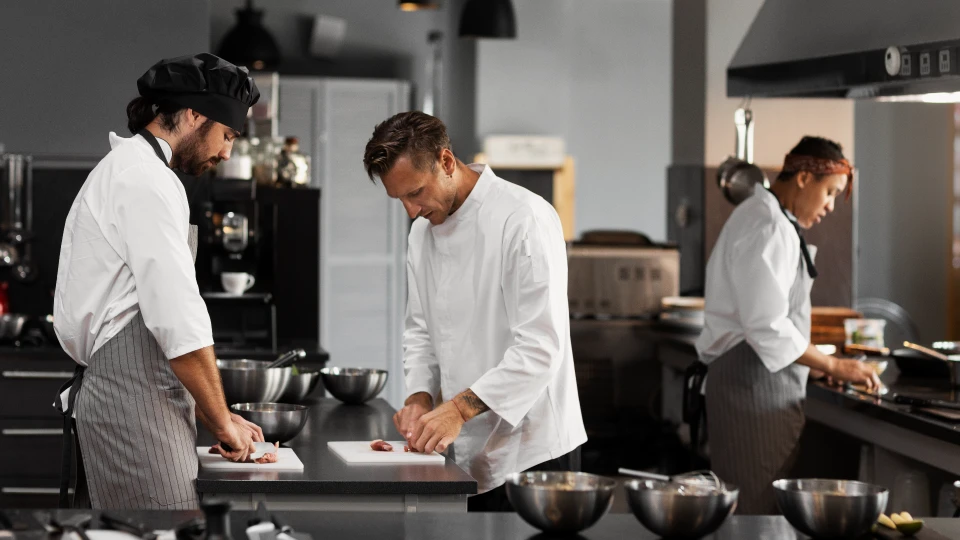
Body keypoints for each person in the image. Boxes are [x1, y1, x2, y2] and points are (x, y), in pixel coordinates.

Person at [53, 53, 265, 509]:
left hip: (135, 394)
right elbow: (177, 319)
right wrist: (222, 422)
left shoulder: (136, 170)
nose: (227, 152)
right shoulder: (144, 179)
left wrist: (218, 412)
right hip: (132, 401)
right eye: (227, 135)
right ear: (193, 117)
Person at [362, 111, 587, 511]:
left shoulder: (524, 218)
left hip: (533, 453)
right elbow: (420, 329)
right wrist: (420, 397)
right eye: (400, 200)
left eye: (415, 192)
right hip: (466, 448)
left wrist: (458, 410)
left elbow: (539, 348)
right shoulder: (421, 232)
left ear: (446, 162)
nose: (411, 211)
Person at [695, 136, 881, 514]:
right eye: (829, 192)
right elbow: (766, 326)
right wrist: (833, 364)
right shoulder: (768, 224)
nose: (830, 206)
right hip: (752, 386)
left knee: (755, 507)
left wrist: (809, 369)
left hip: (760, 384)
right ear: (803, 179)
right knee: (755, 510)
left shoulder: (770, 217)